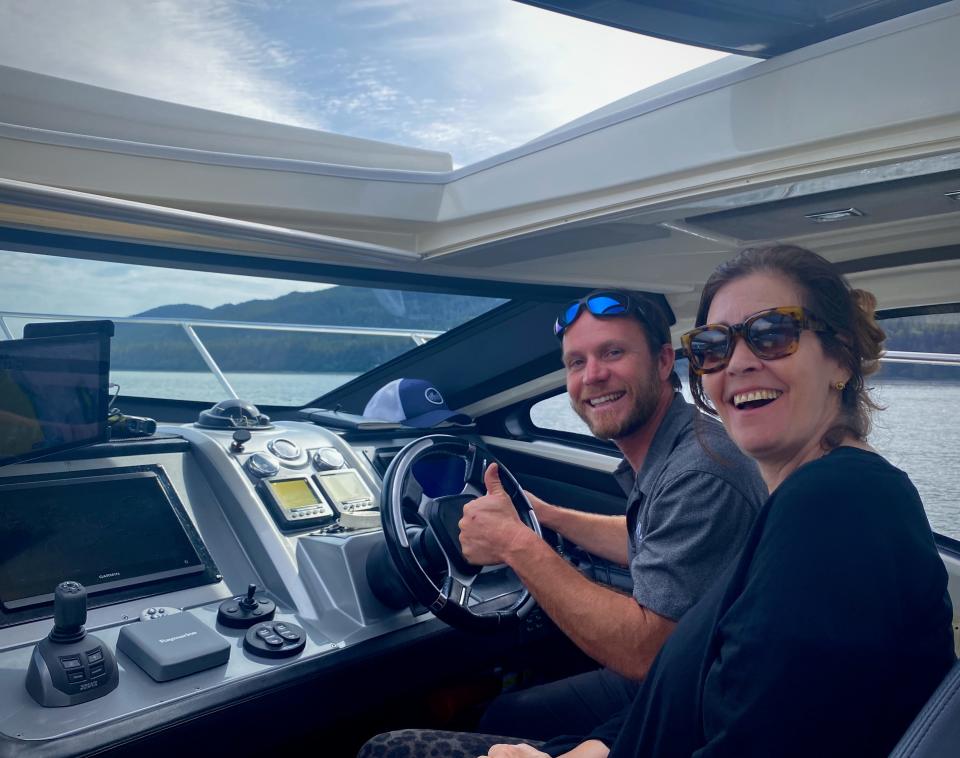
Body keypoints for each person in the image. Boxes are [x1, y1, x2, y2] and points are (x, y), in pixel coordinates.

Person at [358, 244, 955, 758]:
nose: (741, 361)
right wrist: (606, 742)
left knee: (388, 748)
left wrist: (516, 545)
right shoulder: (809, 501)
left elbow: (689, 686)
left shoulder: (834, 506)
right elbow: (704, 680)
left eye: (773, 334)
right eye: (716, 346)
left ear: (842, 359)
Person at [357, 290, 767, 754]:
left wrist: (515, 543)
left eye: (613, 352)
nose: (593, 375)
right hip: (689, 674)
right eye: (576, 362)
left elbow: (644, 651)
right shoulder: (679, 445)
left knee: (387, 748)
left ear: (662, 361)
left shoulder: (698, 472)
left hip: (696, 696)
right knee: (505, 715)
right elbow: (647, 541)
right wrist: (544, 515)